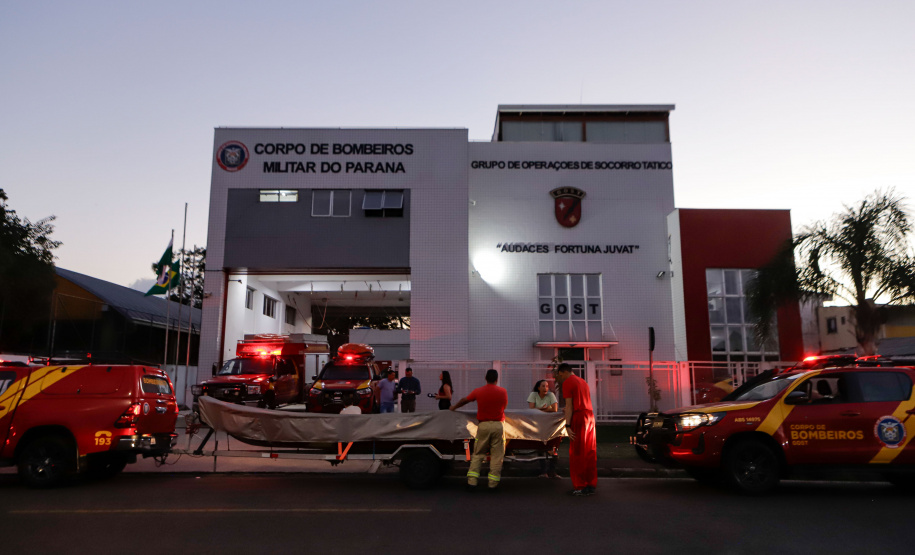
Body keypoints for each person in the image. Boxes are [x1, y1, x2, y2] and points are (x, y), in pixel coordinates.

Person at [451, 369, 508, 491]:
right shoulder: (503, 392)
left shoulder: (479, 391)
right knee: (497, 455)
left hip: (483, 425)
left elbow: (464, 400)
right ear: (496, 379)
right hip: (498, 425)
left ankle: (472, 482)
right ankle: (492, 484)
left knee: (478, 454)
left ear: (485, 378)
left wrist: (453, 407)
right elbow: (504, 406)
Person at [555, 363, 597, 496]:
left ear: (564, 371)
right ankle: (590, 484)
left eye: (560, 375)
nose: (560, 378)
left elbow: (569, 405)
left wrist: (567, 426)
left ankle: (580, 486)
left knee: (577, 452)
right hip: (589, 416)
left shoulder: (568, 382)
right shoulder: (583, 381)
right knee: (589, 451)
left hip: (579, 418)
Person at [528, 380, 559, 478]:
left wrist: (539, 409)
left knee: (552, 448)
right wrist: (546, 409)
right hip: (537, 424)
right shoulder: (533, 395)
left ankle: (552, 472)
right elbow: (531, 409)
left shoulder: (551, 395)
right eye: (543, 386)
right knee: (540, 448)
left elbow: (554, 409)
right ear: (538, 388)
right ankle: (543, 472)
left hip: (549, 424)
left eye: (547, 386)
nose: (545, 388)